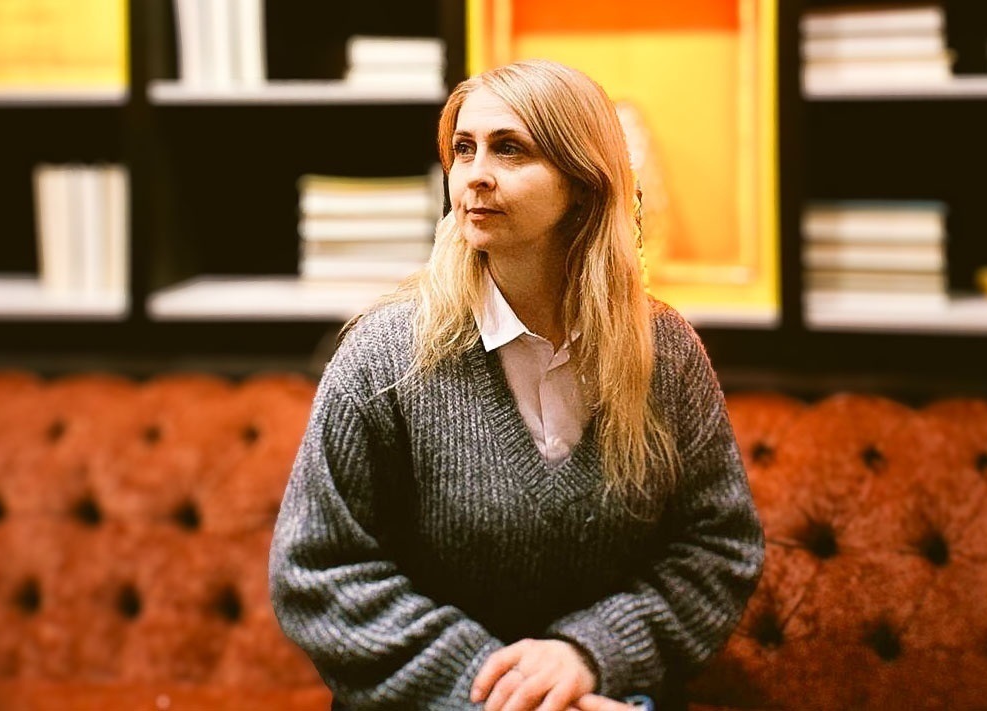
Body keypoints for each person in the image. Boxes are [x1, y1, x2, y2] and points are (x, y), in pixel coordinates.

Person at [269, 58, 764, 711]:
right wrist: (499, 692)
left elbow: (718, 548)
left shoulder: (665, 353)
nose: (475, 174)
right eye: (463, 149)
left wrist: (590, 653)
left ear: (583, 183)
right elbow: (318, 571)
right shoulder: (384, 356)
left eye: (509, 149)